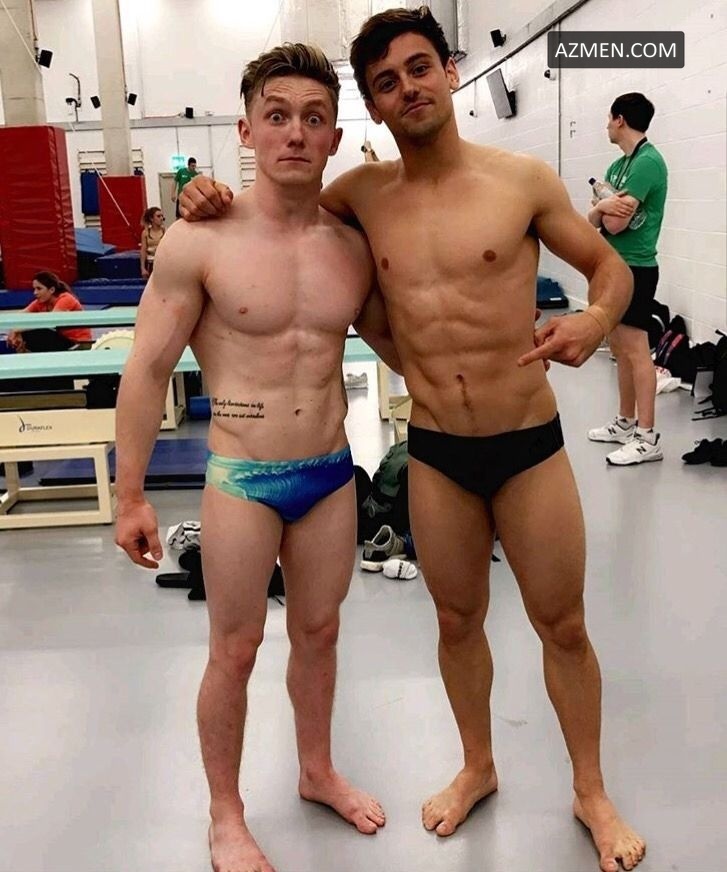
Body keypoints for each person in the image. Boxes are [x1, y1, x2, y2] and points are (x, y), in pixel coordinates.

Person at [179, 8, 647, 871]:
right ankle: (477, 766)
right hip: (435, 452)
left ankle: (589, 789)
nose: (408, 88)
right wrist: (204, 197)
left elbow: (609, 267)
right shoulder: (358, 196)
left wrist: (593, 318)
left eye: (419, 67)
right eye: (385, 82)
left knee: (562, 625)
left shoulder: (520, 181)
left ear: (449, 70)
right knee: (456, 620)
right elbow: (273, 211)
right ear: (373, 105)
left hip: (527, 444)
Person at [114, 43, 400, 872]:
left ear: (335, 136)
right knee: (234, 649)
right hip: (242, 477)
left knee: (320, 632)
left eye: (313, 118)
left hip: (328, 473)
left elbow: (405, 341)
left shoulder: (351, 246)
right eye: (276, 116)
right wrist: (130, 495)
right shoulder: (198, 241)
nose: (294, 133)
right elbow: (147, 369)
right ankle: (226, 814)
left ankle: (316, 771)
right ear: (245, 129)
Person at [586, 92, 668, 465]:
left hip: (637, 267)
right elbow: (593, 220)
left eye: (609, 118)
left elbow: (615, 225)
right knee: (619, 349)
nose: (606, 125)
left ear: (620, 119)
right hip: (614, 266)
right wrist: (604, 207)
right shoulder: (618, 166)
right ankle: (625, 421)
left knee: (636, 349)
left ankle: (648, 437)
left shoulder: (648, 163)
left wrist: (602, 209)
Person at [6, 270, 92, 353]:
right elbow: (20, 316)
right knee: (27, 334)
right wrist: (13, 330)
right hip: (63, 341)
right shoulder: (40, 302)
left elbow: (51, 322)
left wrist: (18, 330)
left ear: (51, 290)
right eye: (34, 289)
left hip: (79, 343)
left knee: (39, 333)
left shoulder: (66, 298)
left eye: (39, 289)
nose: (35, 292)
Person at [140, 206, 165, 278]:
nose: (161, 218)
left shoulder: (165, 231)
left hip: (163, 263)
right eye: (158, 216)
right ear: (151, 219)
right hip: (151, 264)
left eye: (162, 216)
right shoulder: (145, 233)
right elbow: (143, 250)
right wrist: (143, 268)